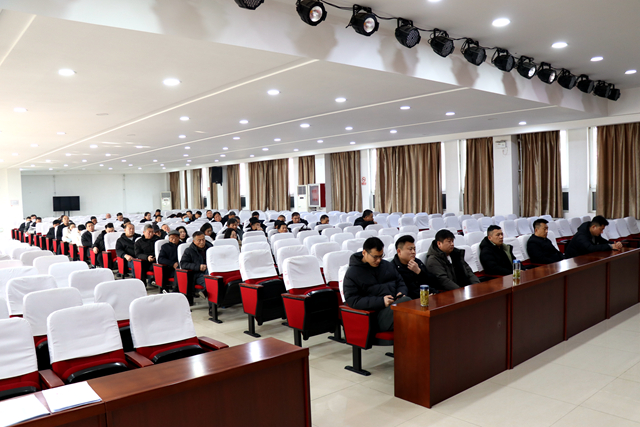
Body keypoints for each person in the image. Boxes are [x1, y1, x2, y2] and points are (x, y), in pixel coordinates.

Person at [343, 237, 410, 332]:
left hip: (394, 305)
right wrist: (381, 301)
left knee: (412, 307)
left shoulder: (387, 265)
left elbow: (400, 282)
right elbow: (353, 300)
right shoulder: (353, 273)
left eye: (381, 256)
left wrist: (401, 293)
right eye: (375, 257)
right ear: (364, 253)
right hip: (375, 315)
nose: (378, 260)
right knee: (411, 310)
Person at [180, 231, 213, 304]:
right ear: (194, 241)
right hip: (198, 274)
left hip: (211, 271)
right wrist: (198, 267)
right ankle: (212, 307)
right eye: (199, 240)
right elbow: (183, 264)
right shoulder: (189, 251)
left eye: (203, 239)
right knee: (211, 283)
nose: (202, 242)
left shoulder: (210, 248)